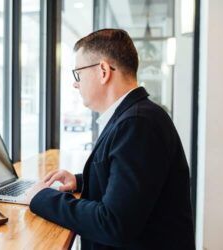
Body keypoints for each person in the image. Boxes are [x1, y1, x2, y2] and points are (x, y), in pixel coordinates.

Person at [24, 29, 195, 250]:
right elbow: (133, 183)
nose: (75, 84)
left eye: (79, 74)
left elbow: (114, 223)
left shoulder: (138, 123)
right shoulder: (135, 115)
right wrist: (81, 180)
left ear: (103, 71)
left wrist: (42, 198)